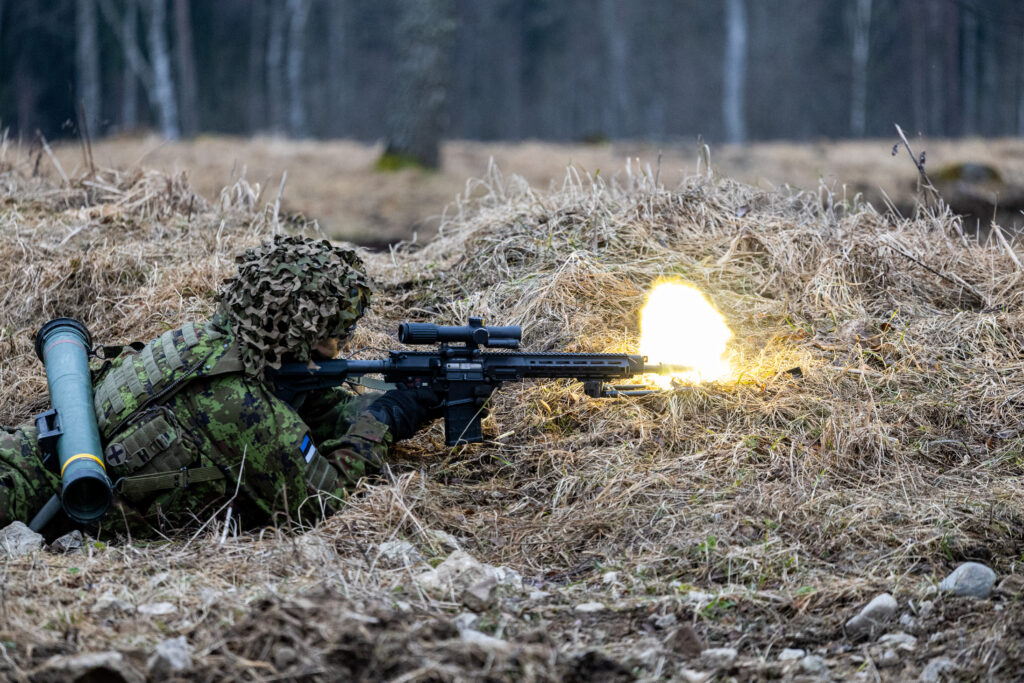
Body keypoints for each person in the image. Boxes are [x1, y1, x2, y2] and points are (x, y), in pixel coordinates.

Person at [0, 235, 438, 535]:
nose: (339, 346)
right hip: (22, 499)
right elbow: (321, 504)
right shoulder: (239, 404)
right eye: (332, 333)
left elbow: (307, 415)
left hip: (23, 452)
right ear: (296, 331)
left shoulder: (209, 343)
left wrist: (414, 394)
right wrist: (385, 419)